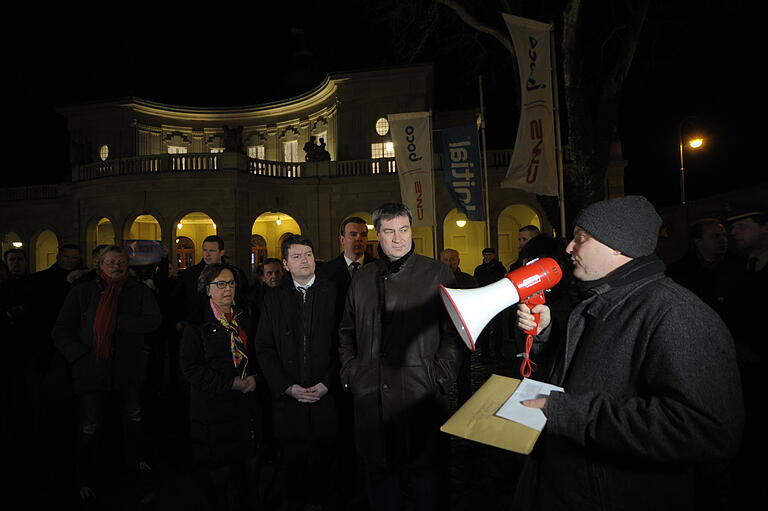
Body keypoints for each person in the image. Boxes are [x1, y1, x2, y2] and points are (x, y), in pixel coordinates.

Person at [514, 195, 744, 510]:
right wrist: (546, 335)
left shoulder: (677, 313)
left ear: (617, 245)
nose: (569, 248)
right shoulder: (599, 300)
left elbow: (707, 430)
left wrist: (569, 413)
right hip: (570, 486)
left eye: (580, 238)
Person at [339, 202, 462, 511]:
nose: (398, 239)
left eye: (404, 230)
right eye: (390, 232)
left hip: (420, 399)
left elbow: (455, 334)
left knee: (427, 488)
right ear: (376, 235)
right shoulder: (362, 277)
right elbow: (346, 331)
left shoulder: (437, 273)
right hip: (371, 403)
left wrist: (438, 377)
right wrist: (352, 373)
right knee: (381, 488)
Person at [53, 245, 162, 502]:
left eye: (121, 262)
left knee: (133, 416)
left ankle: (136, 460)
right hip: (91, 369)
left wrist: (122, 321)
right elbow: (61, 329)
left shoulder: (139, 291)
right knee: (90, 425)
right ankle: (84, 475)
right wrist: (79, 355)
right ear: (100, 265)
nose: (116, 266)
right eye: (111, 262)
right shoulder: (82, 291)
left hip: (128, 368)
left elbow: (154, 320)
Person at [254, 234, 339, 511]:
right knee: (292, 465)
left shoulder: (334, 292)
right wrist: (286, 386)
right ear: (286, 264)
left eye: (308, 255)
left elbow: (347, 343)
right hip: (288, 401)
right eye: (297, 256)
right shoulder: (273, 299)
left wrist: (329, 382)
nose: (304, 260)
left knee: (327, 464)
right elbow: (264, 347)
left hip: (326, 397)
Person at [179, 263, 257, 510]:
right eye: (221, 284)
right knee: (217, 476)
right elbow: (191, 368)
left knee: (244, 472)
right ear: (207, 289)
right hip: (212, 411)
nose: (228, 289)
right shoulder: (196, 324)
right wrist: (229, 383)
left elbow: (259, 351)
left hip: (245, 407)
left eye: (232, 283)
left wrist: (255, 377)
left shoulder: (246, 315)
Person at [438, 248, 478, 404]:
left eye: (453, 259)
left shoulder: (469, 280)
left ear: (458, 261)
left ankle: (465, 406)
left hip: (462, 333)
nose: (449, 263)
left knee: (464, 374)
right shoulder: (435, 279)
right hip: (441, 333)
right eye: (446, 259)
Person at [317, 216, 375, 320]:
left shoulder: (378, 268)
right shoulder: (326, 271)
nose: (359, 239)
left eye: (363, 235)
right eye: (353, 234)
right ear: (342, 240)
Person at [473, 247, 507, 360]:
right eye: (485, 255)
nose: (487, 257)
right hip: (484, 300)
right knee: (485, 328)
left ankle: (497, 351)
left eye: (489, 255)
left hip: (496, 300)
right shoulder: (479, 269)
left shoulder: (500, 268)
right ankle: (485, 352)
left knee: (497, 328)